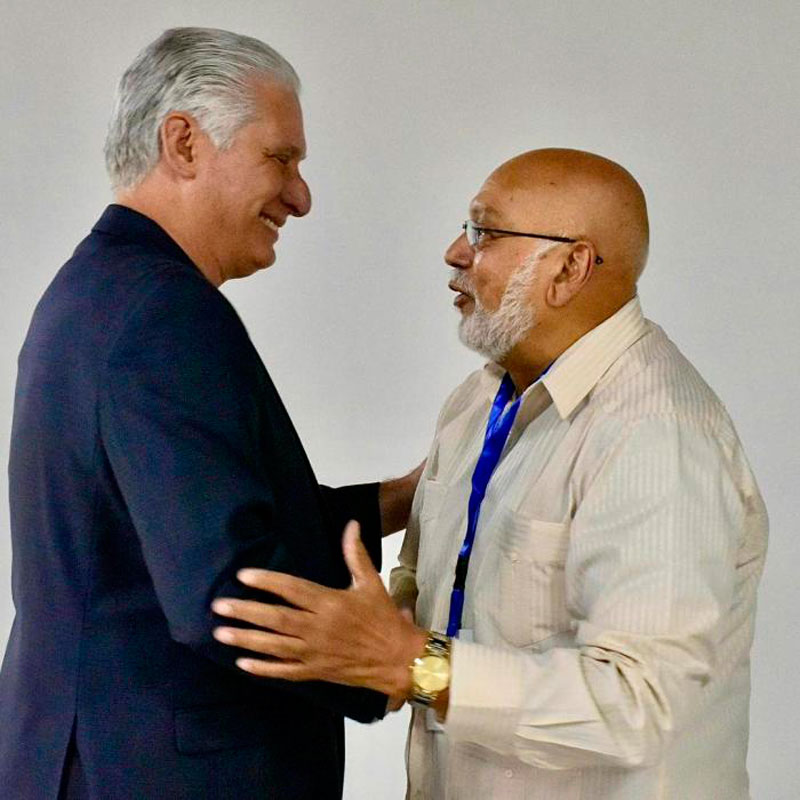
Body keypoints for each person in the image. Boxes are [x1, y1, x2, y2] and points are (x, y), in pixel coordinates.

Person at [212, 148, 768, 799]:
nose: (455, 251)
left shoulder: (654, 436)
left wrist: (414, 665)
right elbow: (430, 590)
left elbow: (638, 704)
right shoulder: (478, 404)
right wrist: (366, 634)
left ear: (568, 268)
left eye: (485, 232)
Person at [0, 27, 421, 800]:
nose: (301, 195)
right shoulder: (163, 313)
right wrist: (389, 669)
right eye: (281, 158)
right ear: (185, 143)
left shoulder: (99, 291)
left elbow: (181, 531)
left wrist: (400, 499)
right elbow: (221, 588)